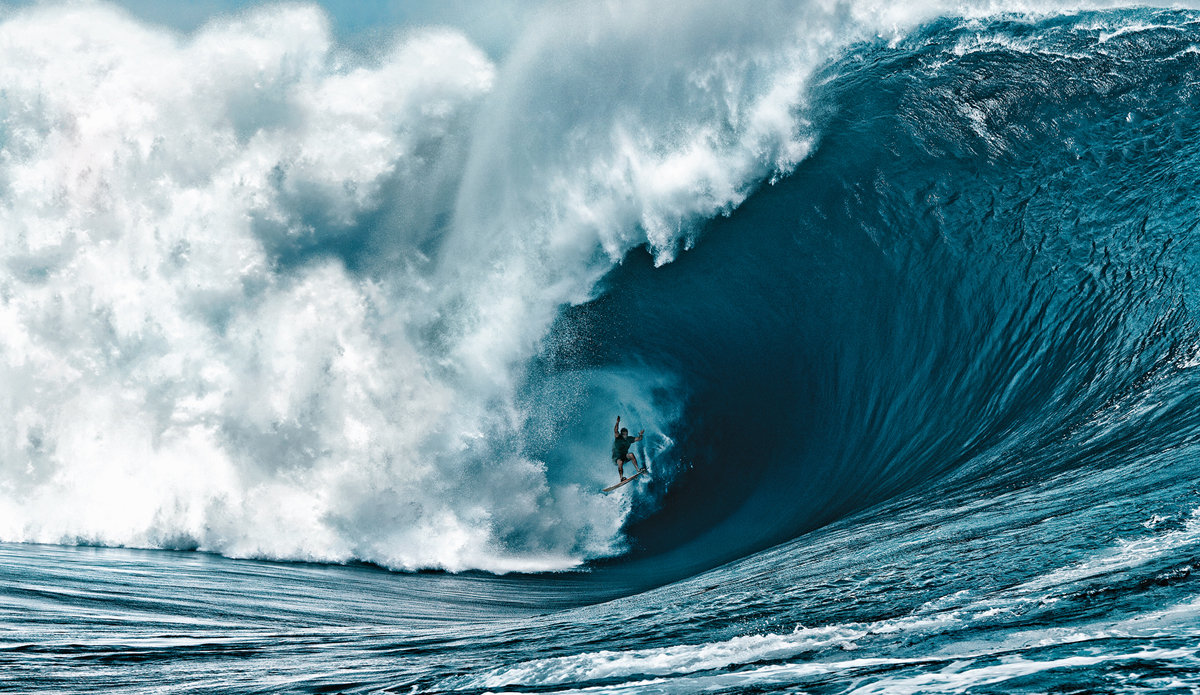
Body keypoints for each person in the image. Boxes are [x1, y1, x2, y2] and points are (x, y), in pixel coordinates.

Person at [612, 416, 645, 482]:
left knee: (631, 454)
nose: (625, 436)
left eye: (626, 434)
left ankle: (638, 470)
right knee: (620, 462)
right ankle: (621, 478)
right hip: (616, 457)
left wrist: (641, 435)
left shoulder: (629, 439)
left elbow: (639, 438)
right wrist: (617, 422)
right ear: (621, 434)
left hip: (624, 457)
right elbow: (615, 431)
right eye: (624, 434)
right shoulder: (618, 437)